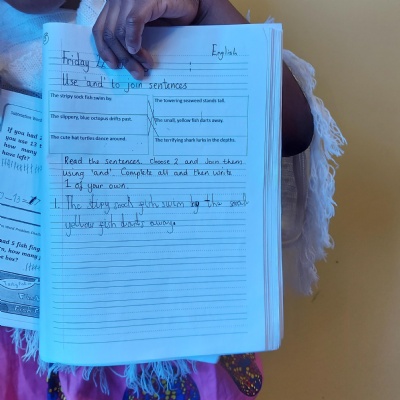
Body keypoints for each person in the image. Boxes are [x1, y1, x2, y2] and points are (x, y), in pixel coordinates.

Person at [0, 0, 345, 398]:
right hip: (27, 351)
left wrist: (203, 9)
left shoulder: (158, 12)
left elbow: (294, 132)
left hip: (172, 345)